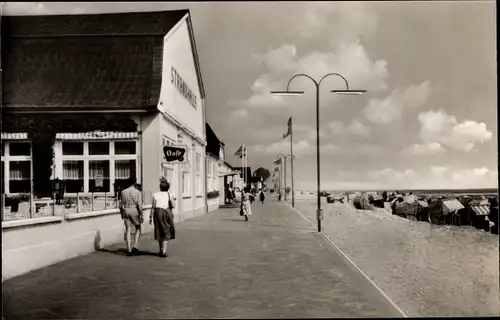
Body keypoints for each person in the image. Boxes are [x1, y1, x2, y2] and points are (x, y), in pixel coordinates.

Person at [150, 178, 175, 257]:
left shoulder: (155, 194)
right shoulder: (169, 195)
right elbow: (173, 205)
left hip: (157, 213)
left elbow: (153, 206)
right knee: (166, 230)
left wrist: (150, 217)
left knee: (159, 230)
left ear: (160, 187)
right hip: (166, 212)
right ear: (168, 188)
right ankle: (164, 251)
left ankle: (161, 250)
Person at [120, 176, 143, 256]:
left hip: (126, 210)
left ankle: (129, 249)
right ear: (135, 182)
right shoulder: (137, 192)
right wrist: (141, 214)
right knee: (138, 228)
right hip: (134, 210)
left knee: (128, 230)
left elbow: (121, 204)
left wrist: (121, 213)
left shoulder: (123, 192)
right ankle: (135, 246)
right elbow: (139, 205)